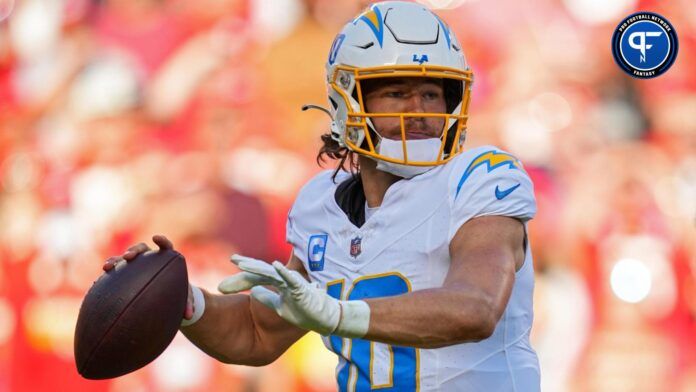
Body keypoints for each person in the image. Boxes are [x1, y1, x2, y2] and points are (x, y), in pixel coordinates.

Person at [104, 2, 541, 390]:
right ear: (347, 103)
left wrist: (335, 314)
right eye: (396, 93)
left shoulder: (480, 178)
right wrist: (182, 300)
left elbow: (476, 307)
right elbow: (258, 333)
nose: (420, 111)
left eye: (431, 93)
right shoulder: (321, 206)